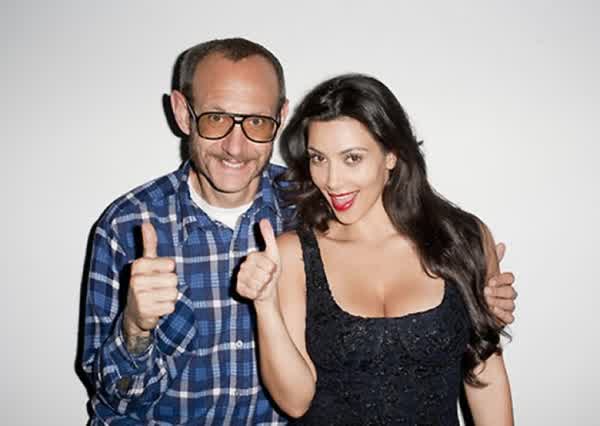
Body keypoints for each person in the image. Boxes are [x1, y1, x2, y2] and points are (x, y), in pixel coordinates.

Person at [80, 38, 516, 424]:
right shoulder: (128, 226)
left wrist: (478, 290)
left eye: (256, 122)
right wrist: (135, 328)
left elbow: (477, 356)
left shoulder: (307, 204)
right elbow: (115, 396)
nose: (235, 145)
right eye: (216, 118)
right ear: (182, 112)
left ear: (280, 118)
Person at [237, 74, 514, 425]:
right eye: (318, 158)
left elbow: (485, 375)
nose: (332, 180)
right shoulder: (294, 253)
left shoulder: (464, 240)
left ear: (391, 155)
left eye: (352, 158)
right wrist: (264, 305)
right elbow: (295, 401)